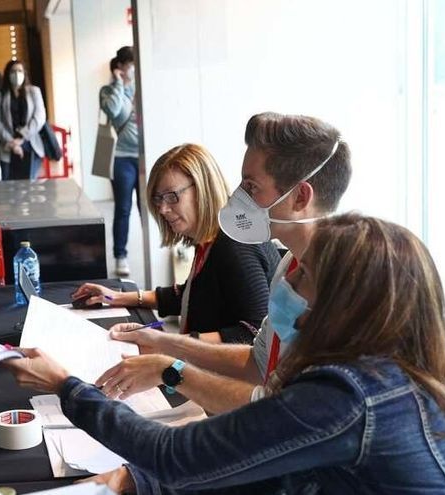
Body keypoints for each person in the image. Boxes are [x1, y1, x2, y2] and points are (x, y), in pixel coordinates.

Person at [5, 213, 445, 494]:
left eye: (302, 273)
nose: (285, 280)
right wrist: (139, 482)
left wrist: (66, 386)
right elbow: (273, 469)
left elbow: (173, 453)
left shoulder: (348, 395)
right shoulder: (395, 377)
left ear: (341, 301)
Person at [93, 112, 353, 414]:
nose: (239, 198)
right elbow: (257, 362)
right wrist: (163, 344)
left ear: (299, 197)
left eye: (252, 187)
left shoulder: (339, 293)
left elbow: (286, 409)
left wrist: (172, 369)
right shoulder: (290, 267)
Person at [72, 144, 280, 345]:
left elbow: (255, 333)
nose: (162, 209)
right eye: (158, 199)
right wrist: (116, 297)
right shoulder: (210, 239)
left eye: (172, 197)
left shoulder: (235, 246)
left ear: (203, 188)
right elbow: (195, 296)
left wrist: (169, 341)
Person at [100, 47, 139, 276]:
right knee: (123, 208)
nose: (133, 69)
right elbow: (113, 110)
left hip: (145, 157)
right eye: (130, 64)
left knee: (151, 208)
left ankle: (159, 249)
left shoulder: (140, 87)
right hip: (121, 157)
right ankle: (120, 255)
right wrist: (118, 84)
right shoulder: (108, 90)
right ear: (120, 67)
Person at [0, 60, 46, 181]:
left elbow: (39, 117)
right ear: (7, 74)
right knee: (9, 188)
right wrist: (12, 142)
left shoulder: (34, 91)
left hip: (30, 144)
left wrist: (21, 138)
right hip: (7, 146)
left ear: (24, 73)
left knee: (29, 188)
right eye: (13, 71)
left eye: (20, 71)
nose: (17, 74)